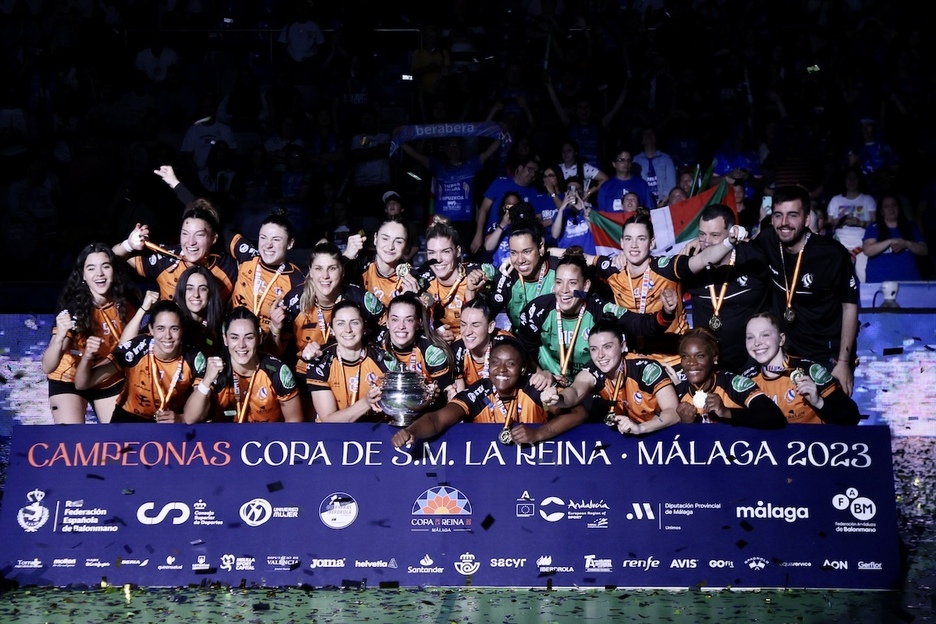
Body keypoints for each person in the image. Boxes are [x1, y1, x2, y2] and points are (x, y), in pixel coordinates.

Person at [596, 213, 746, 364]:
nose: (634, 245)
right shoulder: (613, 269)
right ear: (622, 242)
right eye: (628, 239)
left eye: (641, 239)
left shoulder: (667, 268)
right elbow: (584, 259)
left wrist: (729, 242)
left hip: (674, 359)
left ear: (651, 243)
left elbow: (702, 259)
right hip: (635, 359)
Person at [752, 185, 859, 395]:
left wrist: (843, 362)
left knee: (830, 413)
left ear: (807, 219)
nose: (784, 222)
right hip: (785, 354)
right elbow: (736, 252)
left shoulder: (832, 254)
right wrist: (701, 243)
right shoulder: (767, 240)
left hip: (826, 354)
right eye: (778, 215)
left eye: (792, 215)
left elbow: (849, 307)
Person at [516, 250, 676, 387]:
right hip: (550, 385)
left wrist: (667, 313)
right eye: (559, 282)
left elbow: (640, 325)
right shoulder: (538, 309)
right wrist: (542, 374)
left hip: (590, 387)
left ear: (585, 286)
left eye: (572, 283)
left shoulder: (599, 309)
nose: (564, 290)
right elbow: (523, 352)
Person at [390, 338, 588, 448]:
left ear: (522, 369)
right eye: (495, 362)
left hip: (536, 466)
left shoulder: (534, 387)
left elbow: (578, 413)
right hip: (490, 470)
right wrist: (412, 431)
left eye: (510, 364)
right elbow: (437, 419)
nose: (501, 369)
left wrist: (538, 434)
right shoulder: (479, 391)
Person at [41, 243, 141, 424]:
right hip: (70, 379)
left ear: (114, 271)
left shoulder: (129, 303)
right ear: (83, 275)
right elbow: (48, 366)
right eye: (91, 268)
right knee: (72, 436)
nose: (99, 274)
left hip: (107, 377)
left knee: (119, 436)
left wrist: (129, 244)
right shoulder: (73, 309)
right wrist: (60, 338)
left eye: (105, 266)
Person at [282, 241, 383, 411]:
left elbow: (387, 328)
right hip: (304, 380)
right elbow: (277, 350)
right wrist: (276, 328)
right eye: (318, 269)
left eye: (332, 268)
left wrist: (368, 346)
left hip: (353, 377)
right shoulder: (294, 300)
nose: (325, 276)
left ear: (342, 270)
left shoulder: (359, 298)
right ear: (310, 271)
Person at [74, 300, 206, 423]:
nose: (167, 336)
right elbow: (82, 384)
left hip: (171, 421)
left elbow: (203, 407)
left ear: (182, 330)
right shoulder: (137, 348)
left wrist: (181, 418)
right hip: (129, 418)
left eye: (174, 328)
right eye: (160, 328)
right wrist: (86, 358)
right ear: (151, 329)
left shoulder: (195, 358)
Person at [541, 318, 680, 435]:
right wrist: (558, 398)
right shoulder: (593, 370)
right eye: (594, 349)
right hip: (629, 435)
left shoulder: (646, 369)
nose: (600, 355)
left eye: (607, 347)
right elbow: (575, 391)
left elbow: (674, 412)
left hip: (661, 433)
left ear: (623, 346)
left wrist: (641, 428)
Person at [679, 204, 770, 372]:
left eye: (714, 235)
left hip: (752, 363)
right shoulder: (692, 262)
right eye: (702, 234)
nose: (706, 242)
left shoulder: (752, 258)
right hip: (708, 368)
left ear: (731, 233)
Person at [184, 307, 303, 423]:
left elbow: (294, 422)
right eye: (234, 337)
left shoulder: (277, 370)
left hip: (267, 436)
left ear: (259, 338)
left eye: (249, 337)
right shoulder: (215, 368)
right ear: (225, 339)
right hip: (226, 436)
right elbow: (189, 418)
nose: (241, 345)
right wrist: (206, 381)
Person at [744, 312, 860, 425]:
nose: (756, 343)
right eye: (750, 337)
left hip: (813, 438)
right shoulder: (747, 381)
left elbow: (852, 417)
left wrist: (818, 402)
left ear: (781, 339)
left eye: (765, 335)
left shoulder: (809, 370)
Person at [114, 201, 239, 304]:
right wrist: (129, 245)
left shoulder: (228, 268)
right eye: (185, 234)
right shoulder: (166, 258)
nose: (191, 242)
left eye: (199, 235)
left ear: (214, 238)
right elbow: (110, 261)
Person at [400, 134, 501, 248]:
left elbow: (488, 153)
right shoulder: (437, 166)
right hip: (442, 222)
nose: (453, 148)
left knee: (463, 256)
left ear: (462, 148)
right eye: (450, 145)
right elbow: (416, 156)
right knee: (443, 254)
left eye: (456, 145)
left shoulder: (471, 165)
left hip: (465, 223)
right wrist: (399, 139)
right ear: (445, 149)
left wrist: (502, 133)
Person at [672, 328, 786, 429]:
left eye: (700, 356)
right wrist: (685, 426)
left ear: (714, 357)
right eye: (685, 356)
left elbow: (775, 417)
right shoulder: (677, 393)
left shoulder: (733, 384)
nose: (691, 362)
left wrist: (726, 412)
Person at [228, 211, 305, 339]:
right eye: (263, 237)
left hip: (268, 345)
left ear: (290, 243)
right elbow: (219, 231)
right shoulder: (248, 256)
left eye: (276, 239)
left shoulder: (296, 281)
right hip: (234, 339)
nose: (268, 245)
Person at [307, 300, 386, 423]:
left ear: (364, 327)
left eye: (354, 323)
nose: (348, 329)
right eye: (340, 323)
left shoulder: (382, 359)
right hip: (333, 432)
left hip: (373, 430)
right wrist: (366, 402)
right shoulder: (320, 360)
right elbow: (328, 420)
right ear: (332, 329)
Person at [415, 216, 488, 342]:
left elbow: (487, 324)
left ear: (457, 251)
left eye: (445, 251)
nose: (438, 259)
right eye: (432, 252)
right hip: (440, 346)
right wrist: (433, 334)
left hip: (474, 343)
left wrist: (471, 293)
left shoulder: (476, 276)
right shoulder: (423, 283)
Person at [377, 292, 455, 405]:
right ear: (387, 322)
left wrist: (435, 395)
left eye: (409, 320)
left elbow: (447, 395)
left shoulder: (432, 352)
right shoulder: (377, 347)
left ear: (418, 323)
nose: (401, 326)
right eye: (395, 319)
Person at [490, 220, 560, 331]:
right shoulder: (507, 277)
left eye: (526, 252)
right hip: (520, 340)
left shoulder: (560, 270)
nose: (520, 260)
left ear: (541, 247)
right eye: (514, 253)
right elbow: (484, 315)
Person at [470, 154, 540, 256]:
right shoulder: (500, 182)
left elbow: (535, 218)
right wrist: (478, 234)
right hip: (492, 237)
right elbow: (483, 209)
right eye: (530, 169)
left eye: (535, 172)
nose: (533, 174)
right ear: (520, 168)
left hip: (518, 242)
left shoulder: (534, 192)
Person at [351, 217, 423, 309]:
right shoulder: (358, 267)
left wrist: (414, 303)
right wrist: (346, 257)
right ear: (375, 238)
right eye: (385, 238)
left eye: (398, 241)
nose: (390, 247)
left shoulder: (412, 280)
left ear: (406, 246)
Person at [451, 295, 513, 392]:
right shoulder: (456, 350)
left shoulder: (508, 346)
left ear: (490, 327)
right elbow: (459, 392)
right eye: (463, 324)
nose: (467, 332)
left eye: (475, 325)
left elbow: (532, 373)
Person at [862, 193, 928, 282]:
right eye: (886, 207)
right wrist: (891, 241)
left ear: (899, 208)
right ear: (881, 211)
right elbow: (868, 250)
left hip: (910, 281)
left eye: (894, 205)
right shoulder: (874, 227)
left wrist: (906, 243)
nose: (891, 209)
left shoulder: (910, 226)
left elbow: (924, 250)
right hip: (879, 282)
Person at [173, 265, 225, 355]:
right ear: (182, 292)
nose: (196, 294)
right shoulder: (174, 323)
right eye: (190, 288)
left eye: (203, 289)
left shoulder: (218, 326)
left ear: (210, 293)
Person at [596, 148, 655, 212]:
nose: (626, 163)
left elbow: (650, 210)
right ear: (614, 164)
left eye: (628, 160)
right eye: (621, 160)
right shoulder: (606, 187)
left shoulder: (642, 184)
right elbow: (601, 213)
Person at [483, 194, 535, 267]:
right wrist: (502, 225)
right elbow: (488, 247)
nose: (512, 209)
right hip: (497, 268)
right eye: (509, 206)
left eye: (515, 206)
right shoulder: (495, 226)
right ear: (504, 208)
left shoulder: (526, 226)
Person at [551, 176, 596, 256]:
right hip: (568, 258)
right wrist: (562, 209)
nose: (575, 192)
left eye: (578, 189)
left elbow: (596, 232)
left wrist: (583, 209)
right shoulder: (561, 214)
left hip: (588, 257)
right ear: (566, 193)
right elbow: (555, 235)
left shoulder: (591, 211)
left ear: (582, 192)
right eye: (571, 189)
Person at [633, 127, 677, 207]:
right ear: (642, 140)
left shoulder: (666, 159)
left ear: (656, 138)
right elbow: (634, 183)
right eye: (646, 134)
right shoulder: (636, 160)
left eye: (651, 134)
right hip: (643, 204)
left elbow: (671, 183)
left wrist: (663, 201)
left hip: (664, 203)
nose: (649, 136)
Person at [556, 139, 609, 204]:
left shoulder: (584, 167)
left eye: (569, 150)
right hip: (560, 203)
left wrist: (589, 192)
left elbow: (605, 179)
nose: (566, 153)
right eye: (563, 151)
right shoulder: (557, 168)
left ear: (575, 152)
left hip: (580, 203)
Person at [381, 191, 421, 262]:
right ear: (385, 209)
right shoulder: (379, 227)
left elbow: (416, 245)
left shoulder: (410, 226)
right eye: (389, 203)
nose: (392, 205)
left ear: (402, 209)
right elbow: (372, 248)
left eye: (395, 203)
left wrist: (408, 257)